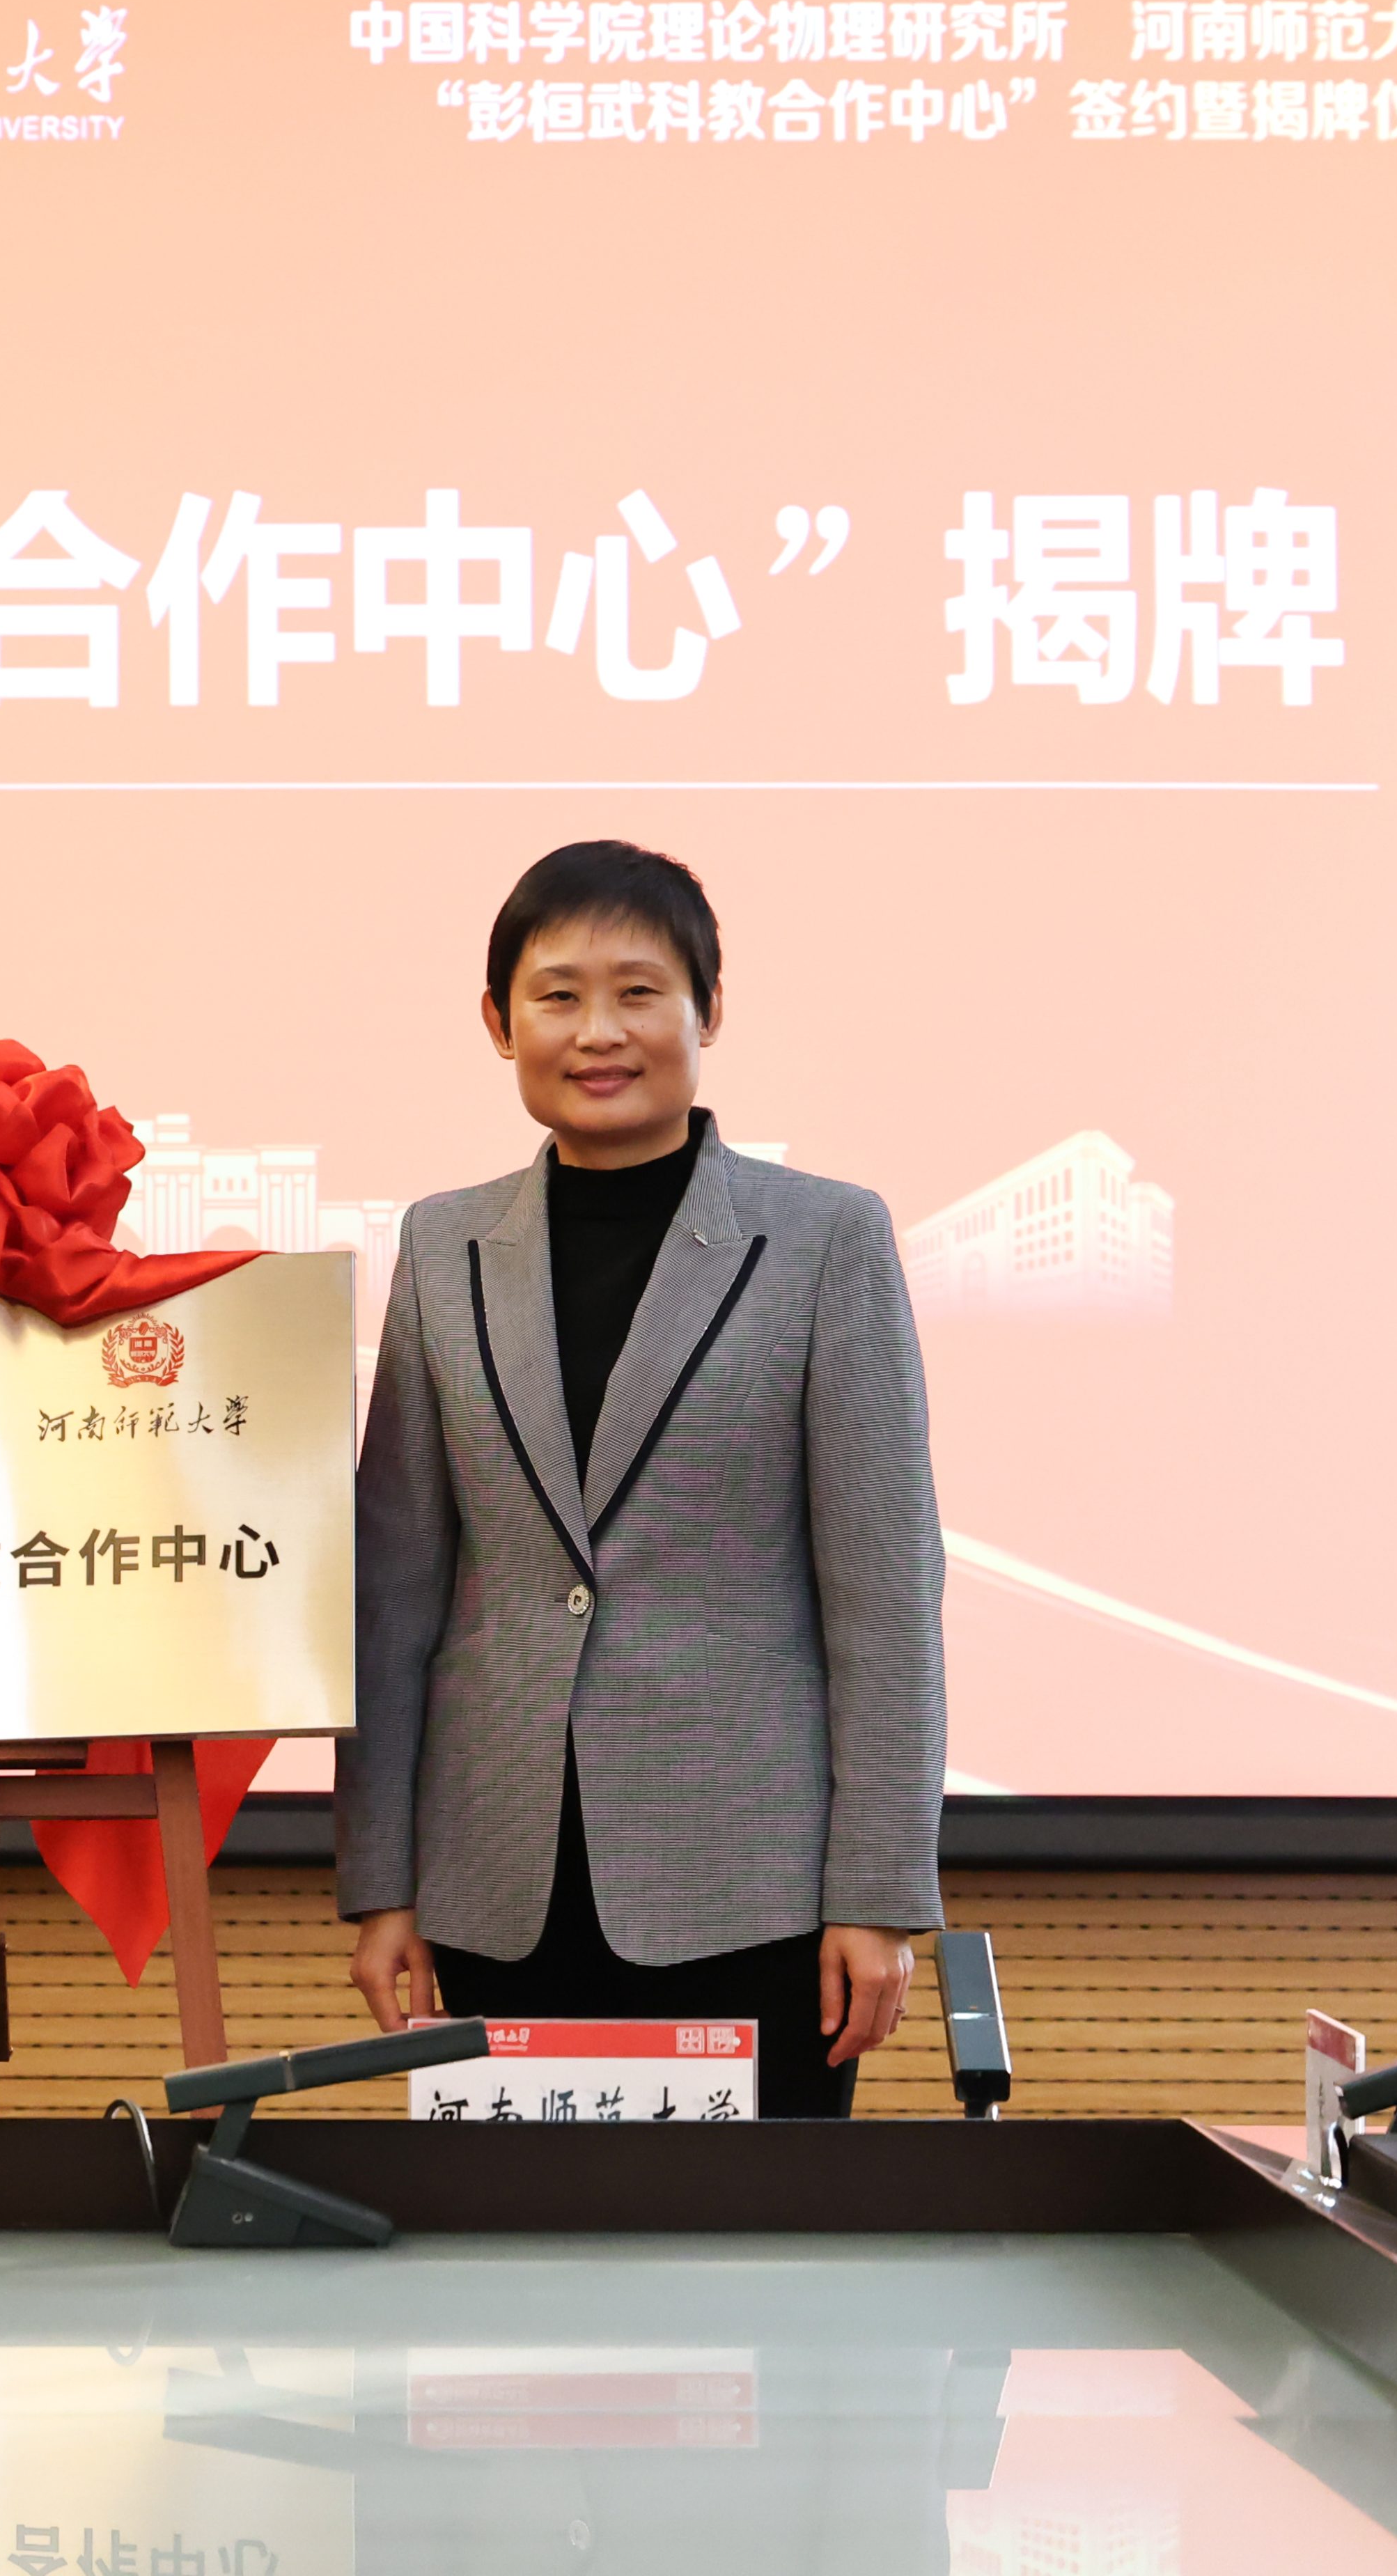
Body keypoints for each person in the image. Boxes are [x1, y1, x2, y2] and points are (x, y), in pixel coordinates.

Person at [336, 841, 945, 2114]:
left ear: (707, 1011)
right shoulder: (442, 1246)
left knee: (756, 2238)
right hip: (496, 1881)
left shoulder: (825, 1238)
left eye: (639, 992)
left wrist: (880, 1895)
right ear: (499, 1023)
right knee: (509, 2242)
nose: (599, 1032)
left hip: (753, 1888)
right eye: (557, 996)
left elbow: (887, 1601)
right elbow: (393, 1595)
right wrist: (382, 1883)